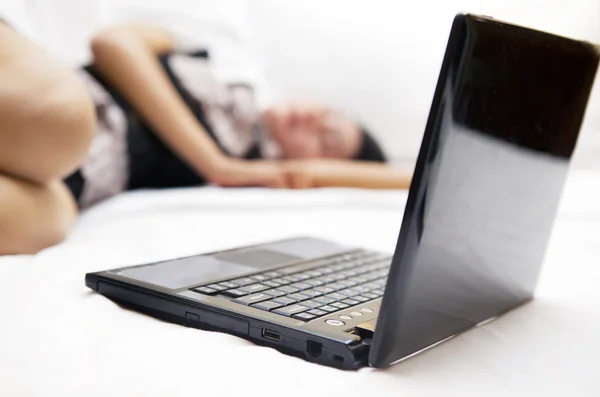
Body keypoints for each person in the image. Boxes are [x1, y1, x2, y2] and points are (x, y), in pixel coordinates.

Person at [0, 21, 411, 255]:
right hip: (44, 106)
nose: (315, 121)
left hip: (73, 180)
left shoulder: (263, 168)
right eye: (329, 116)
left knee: (45, 224)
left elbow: (306, 175)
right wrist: (215, 163)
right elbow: (114, 43)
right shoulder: (203, 61)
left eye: (328, 138)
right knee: (65, 127)